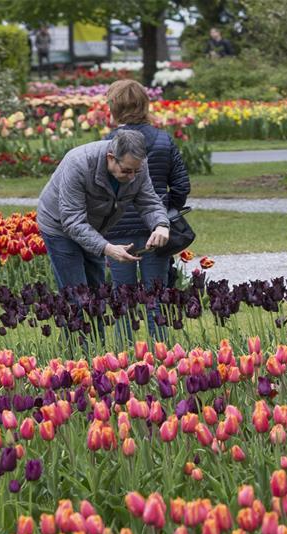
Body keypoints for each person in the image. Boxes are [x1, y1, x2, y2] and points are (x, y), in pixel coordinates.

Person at [37, 130, 170, 346]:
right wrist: (107, 248)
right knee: (77, 296)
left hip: (95, 227)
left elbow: (149, 201)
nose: (132, 177)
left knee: (96, 296)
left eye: (137, 171)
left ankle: (97, 354)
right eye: (127, 171)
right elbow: (72, 221)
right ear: (111, 158)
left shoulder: (137, 166)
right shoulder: (79, 163)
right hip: (59, 226)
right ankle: (75, 360)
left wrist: (161, 225)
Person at [104, 79, 191, 341]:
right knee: (156, 293)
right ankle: (160, 350)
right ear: (145, 104)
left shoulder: (108, 143)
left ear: (114, 107)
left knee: (123, 295)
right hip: (157, 229)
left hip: (118, 229)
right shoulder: (163, 140)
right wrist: (168, 210)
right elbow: (181, 184)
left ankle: (122, 355)